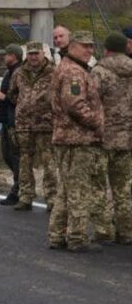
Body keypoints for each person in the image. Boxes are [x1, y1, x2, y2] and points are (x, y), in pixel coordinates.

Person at [49, 31, 106, 252]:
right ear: (73, 46)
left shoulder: (69, 67)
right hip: (77, 138)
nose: (90, 50)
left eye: (92, 46)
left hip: (68, 137)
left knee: (65, 189)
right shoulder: (74, 72)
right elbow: (75, 104)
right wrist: (96, 123)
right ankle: (77, 236)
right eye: (85, 46)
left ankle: (57, 235)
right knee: (79, 190)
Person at [90, 32, 132, 244]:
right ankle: (126, 230)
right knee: (123, 187)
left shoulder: (99, 71)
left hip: (103, 137)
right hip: (127, 138)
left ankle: (103, 229)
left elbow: (90, 101)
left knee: (99, 185)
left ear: (107, 49)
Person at [7, 42, 57, 211]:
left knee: (49, 162)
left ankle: (52, 198)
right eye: (31, 54)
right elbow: (12, 94)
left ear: (43, 54)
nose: (34, 57)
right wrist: (24, 106)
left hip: (45, 124)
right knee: (25, 161)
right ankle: (26, 196)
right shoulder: (19, 73)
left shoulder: (53, 72)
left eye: (37, 53)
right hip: (24, 124)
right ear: (26, 55)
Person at [0, 44, 23, 205]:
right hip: (6, 120)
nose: (4, 57)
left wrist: (4, 97)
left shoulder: (20, 73)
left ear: (13, 56)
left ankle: (18, 190)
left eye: (6, 55)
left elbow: (23, 98)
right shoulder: (8, 73)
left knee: (15, 157)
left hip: (14, 121)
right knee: (7, 155)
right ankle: (21, 186)